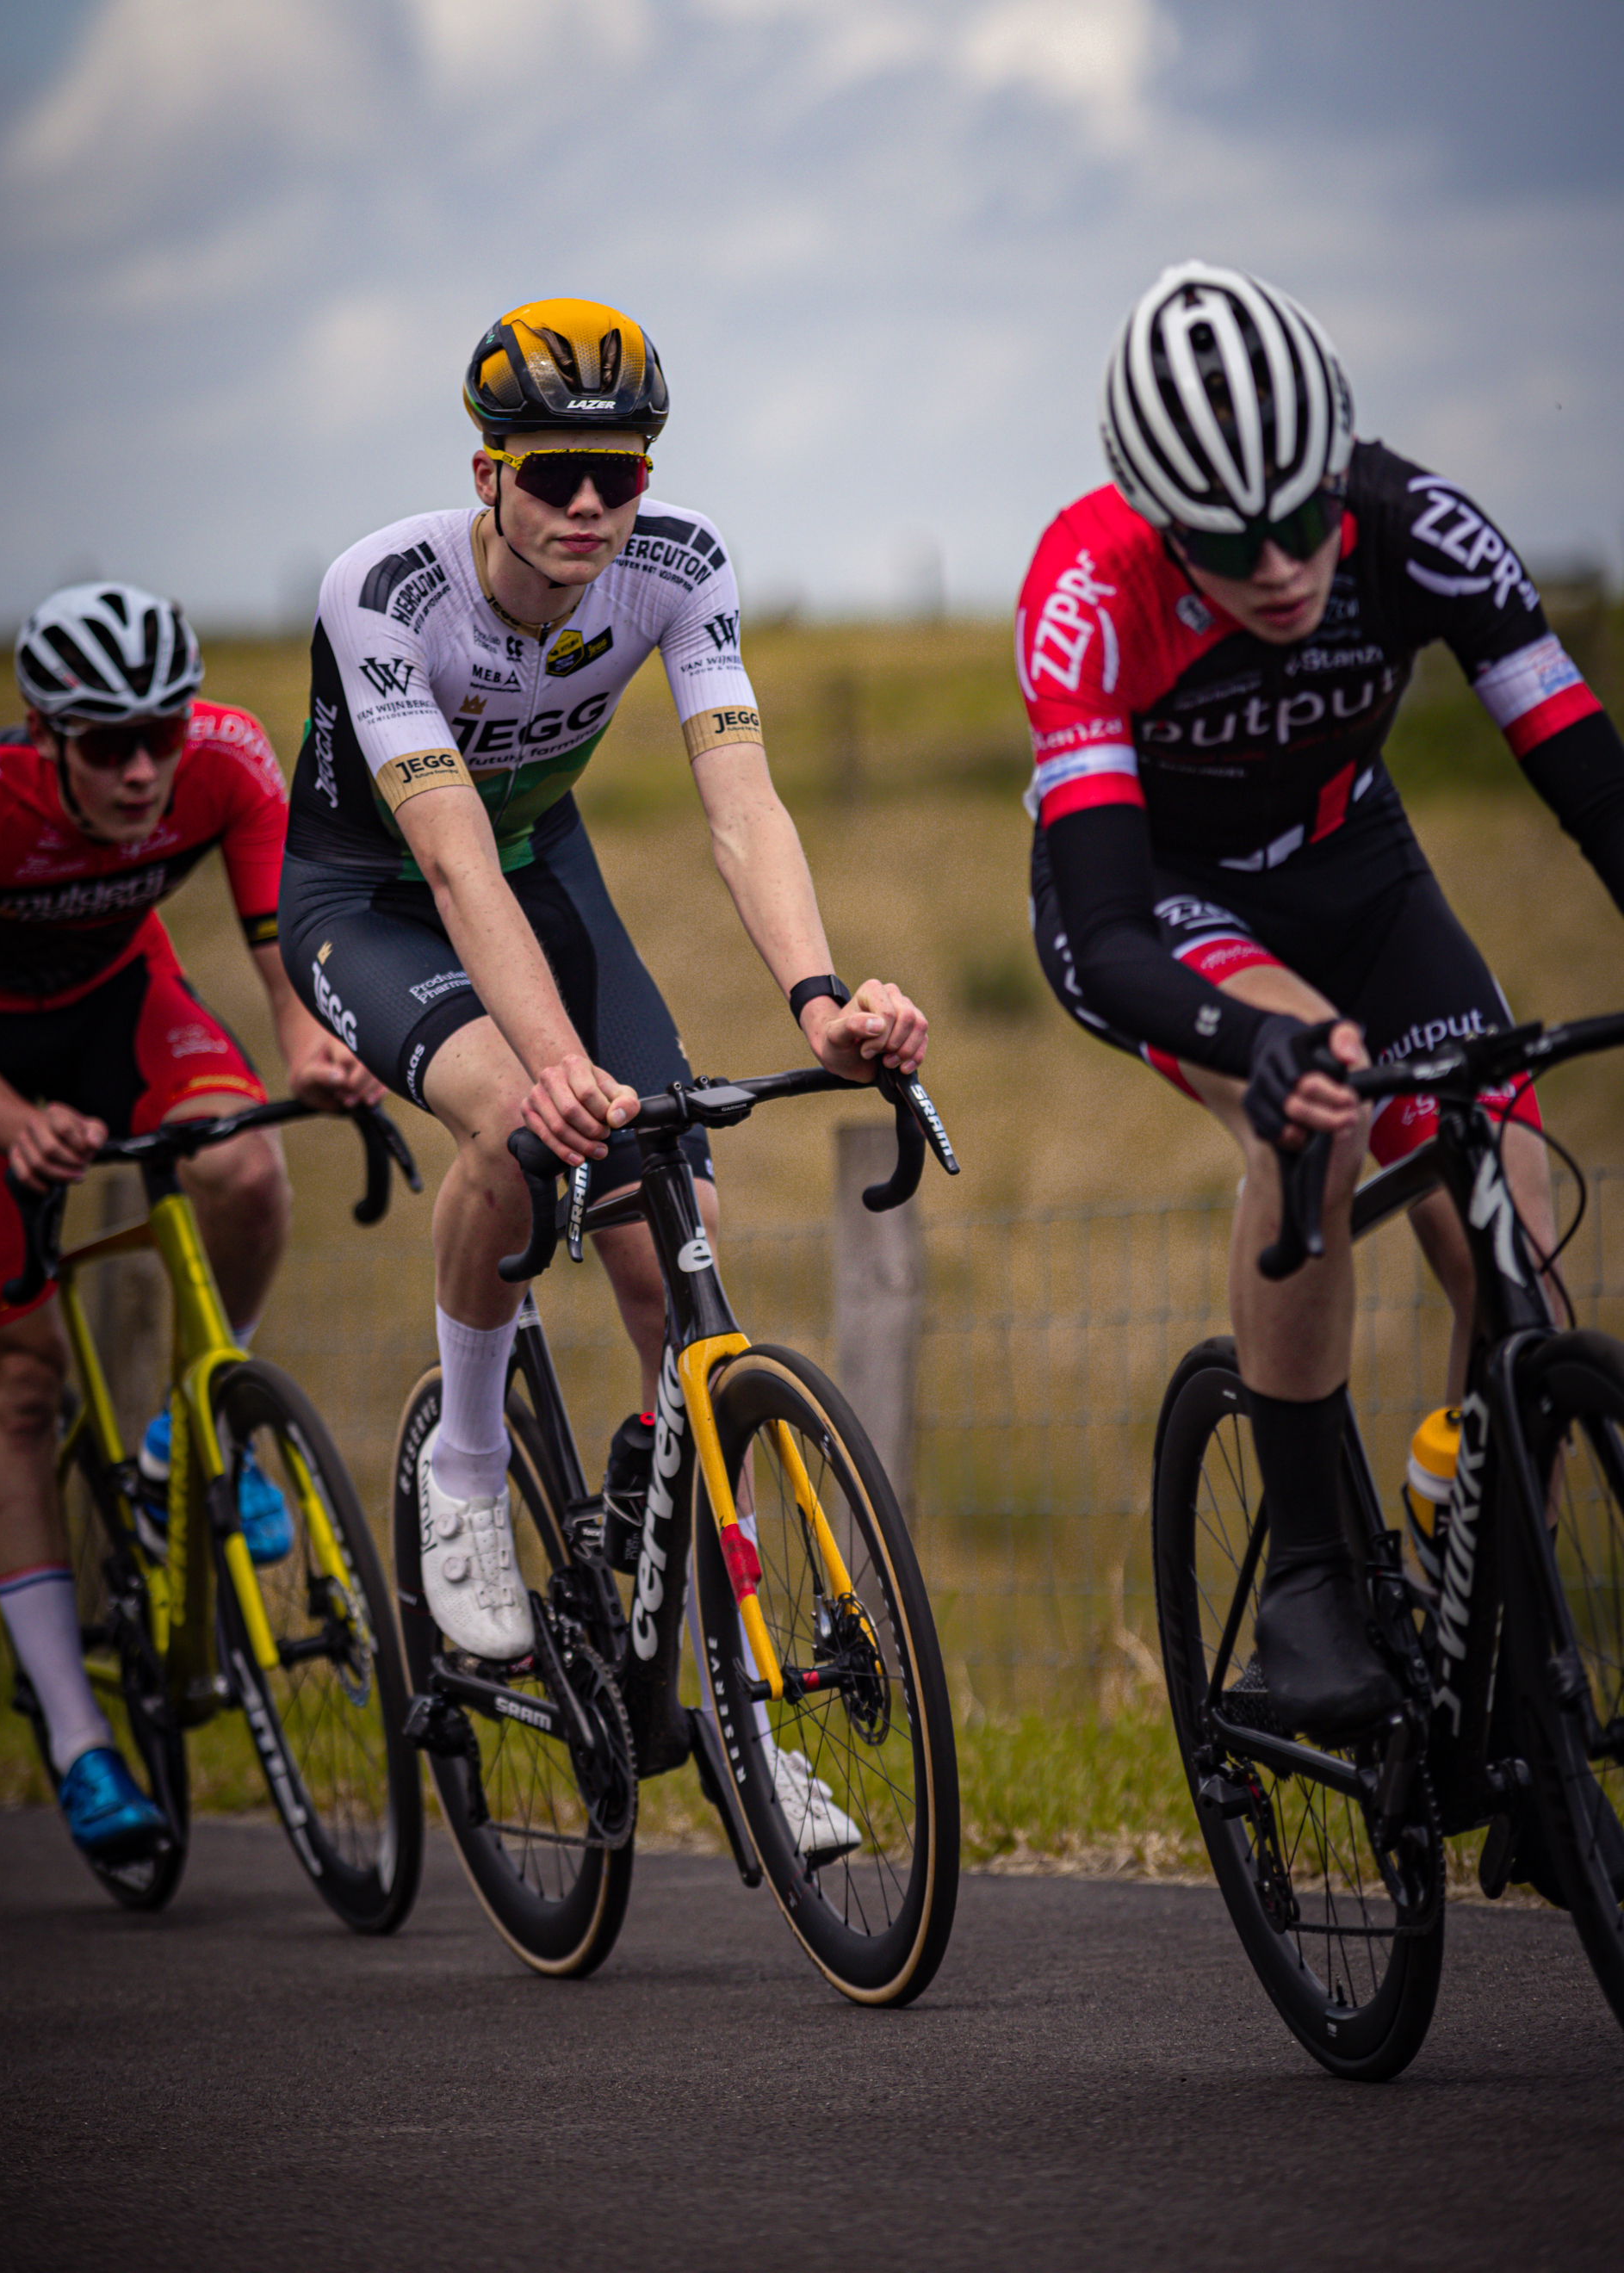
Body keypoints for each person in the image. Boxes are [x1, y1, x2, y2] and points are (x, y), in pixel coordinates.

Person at [278, 296, 924, 1842]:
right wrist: (557, 1070)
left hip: (543, 865)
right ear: (488, 469)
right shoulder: (387, 589)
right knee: (517, 1123)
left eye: (617, 476)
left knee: (676, 1260)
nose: (587, 507)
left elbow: (743, 806)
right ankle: (473, 1469)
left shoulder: (681, 563)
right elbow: (445, 860)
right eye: (555, 472)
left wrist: (818, 1001)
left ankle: (734, 1700)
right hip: (372, 894)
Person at [1015, 261, 1624, 1739]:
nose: (1282, 566)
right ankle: (1305, 1572)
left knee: (1517, 1239)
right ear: (1162, 523)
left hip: (1361, 868)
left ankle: (1506, 1661)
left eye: (1304, 522)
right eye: (1232, 543)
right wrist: (1260, 1045)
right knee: (1324, 1116)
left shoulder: (1421, 529)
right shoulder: (1087, 592)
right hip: (1167, 905)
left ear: (1341, 471)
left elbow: (1588, 781)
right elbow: (1101, 930)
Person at [0, 583, 378, 1863]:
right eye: (105, 743)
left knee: (248, 1171)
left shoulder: (224, 759)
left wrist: (314, 1053)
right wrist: (18, 1130)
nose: (139, 768)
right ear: (42, 732)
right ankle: (77, 1738)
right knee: (17, 1380)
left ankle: (191, 1423)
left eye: (158, 734)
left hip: (125, 1005)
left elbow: (287, 957)